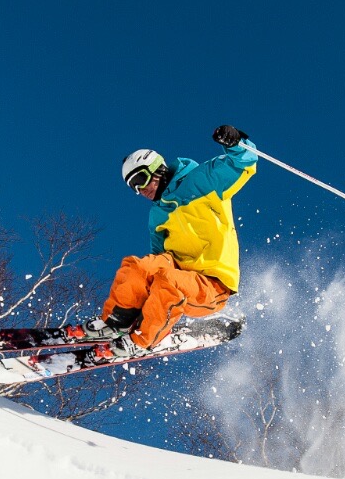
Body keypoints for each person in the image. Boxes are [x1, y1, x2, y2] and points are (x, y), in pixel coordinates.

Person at [86, 125, 257, 357]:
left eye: (141, 179)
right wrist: (141, 304)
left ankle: (143, 340)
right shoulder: (157, 215)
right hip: (178, 275)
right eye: (134, 187)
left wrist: (235, 142)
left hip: (212, 284)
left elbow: (243, 162)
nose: (141, 189)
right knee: (137, 266)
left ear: (159, 168)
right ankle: (117, 321)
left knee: (169, 281)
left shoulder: (203, 180)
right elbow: (154, 265)